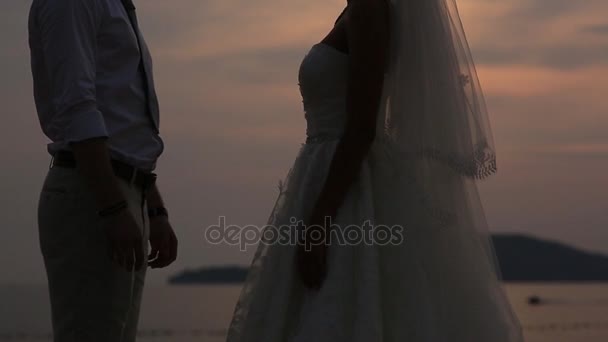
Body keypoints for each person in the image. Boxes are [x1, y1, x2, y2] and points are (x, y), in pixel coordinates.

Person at [226, 0, 524, 341]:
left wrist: (321, 220)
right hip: (324, 172)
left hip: (347, 186)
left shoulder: (370, 8)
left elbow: (362, 129)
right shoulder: (356, 8)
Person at [28, 0, 177, 340]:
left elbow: (122, 122)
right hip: (93, 193)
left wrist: (151, 205)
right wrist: (111, 207)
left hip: (119, 192)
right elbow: (77, 105)